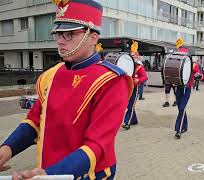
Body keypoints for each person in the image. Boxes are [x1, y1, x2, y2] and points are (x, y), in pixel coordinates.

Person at [0, 0, 133, 179]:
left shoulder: (111, 81)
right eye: (58, 34)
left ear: (93, 37)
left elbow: (97, 144)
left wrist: (51, 174)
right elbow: (34, 121)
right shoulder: (51, 75)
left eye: (69, 34)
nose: (60, 41)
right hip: (47, 170)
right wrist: (7, 148)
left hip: (88, 174)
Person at [122, 42, 148, 130]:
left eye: (134, 57)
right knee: (129, 105)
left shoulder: (139, 67)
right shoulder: (126, 66)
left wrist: (138, 80)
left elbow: (145, 77)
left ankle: (127, 122)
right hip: (127, 88)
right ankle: (134, 120)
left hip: (135, 88)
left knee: (130, 106)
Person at [175, 60, 202, 139]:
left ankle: (178, 130)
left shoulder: (193, 65)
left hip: (186, 89)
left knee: (182, 108)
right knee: (181, 109)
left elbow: (201, 75)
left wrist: (198, 75)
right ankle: (185, 126)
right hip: (178, 88)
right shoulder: (178, 63)